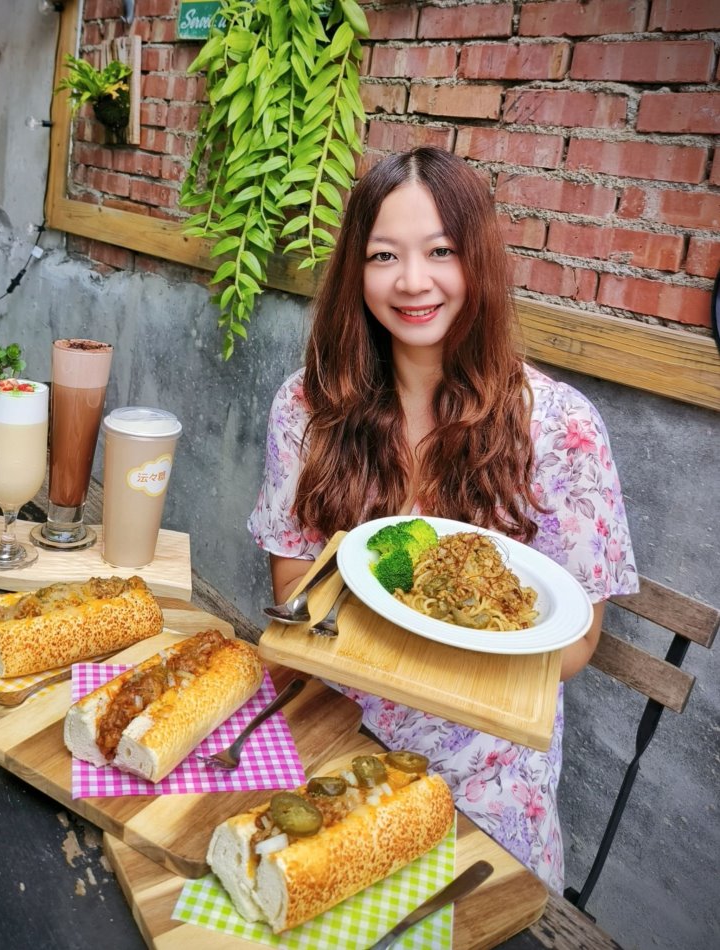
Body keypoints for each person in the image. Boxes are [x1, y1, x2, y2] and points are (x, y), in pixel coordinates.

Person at [247, 147, 639, 891]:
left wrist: (441, 643)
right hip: (333, 738)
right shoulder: (308, 406)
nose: (413, 281)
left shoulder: (559, 426)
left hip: (488, 777)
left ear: (478, 263)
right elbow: (296, 584)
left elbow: (577, 641)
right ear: (355, 274)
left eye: (441, 252)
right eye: (384, 255)